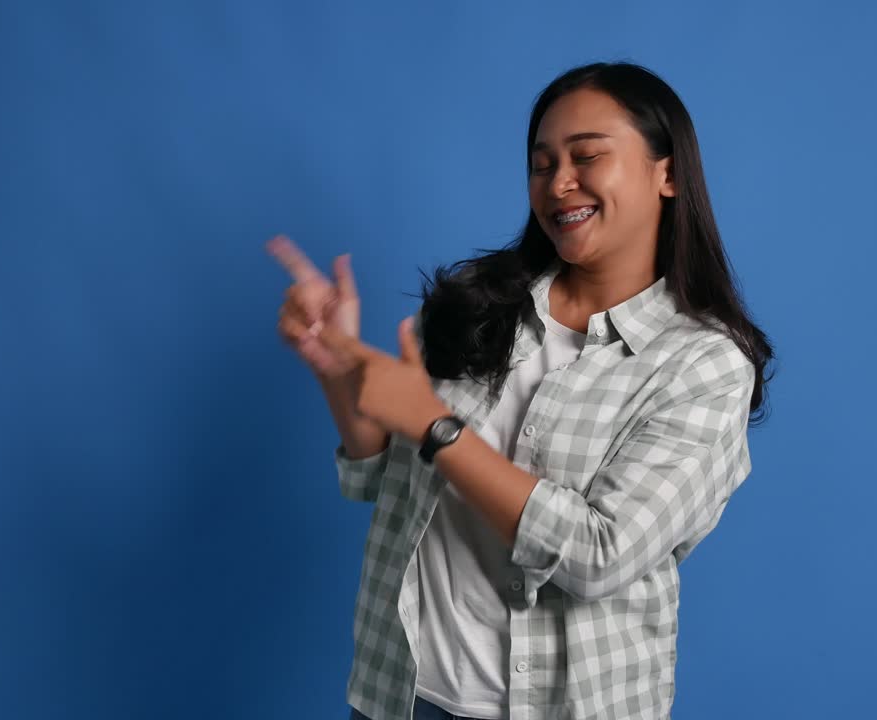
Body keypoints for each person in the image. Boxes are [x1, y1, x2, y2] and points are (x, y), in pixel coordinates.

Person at [268, 61, 774, 720]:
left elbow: (600, 554)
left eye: (586, 156)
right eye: (541, 164)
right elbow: (380, 479)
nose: (559, 183)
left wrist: (437, 429)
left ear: (668, 173)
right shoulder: (478, 302)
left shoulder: (702, 363)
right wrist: (335, 364)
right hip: (402, 693)